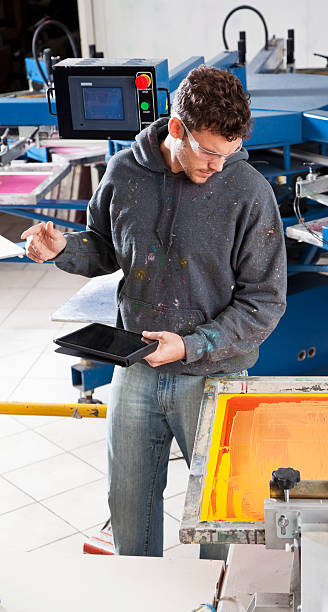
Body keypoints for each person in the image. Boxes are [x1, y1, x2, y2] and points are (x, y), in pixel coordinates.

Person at [21, 65, 287, 559]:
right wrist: (62, 249)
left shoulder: (247, 191)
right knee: (127, 509)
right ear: (177, 128)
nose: (218, 167)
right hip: (137, 366)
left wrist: (192, 344)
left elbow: (265, 301)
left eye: (229, 154)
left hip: (215, 376)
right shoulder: (124, 173)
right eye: (209, 152)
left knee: (222, 522)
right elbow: (103, 247)